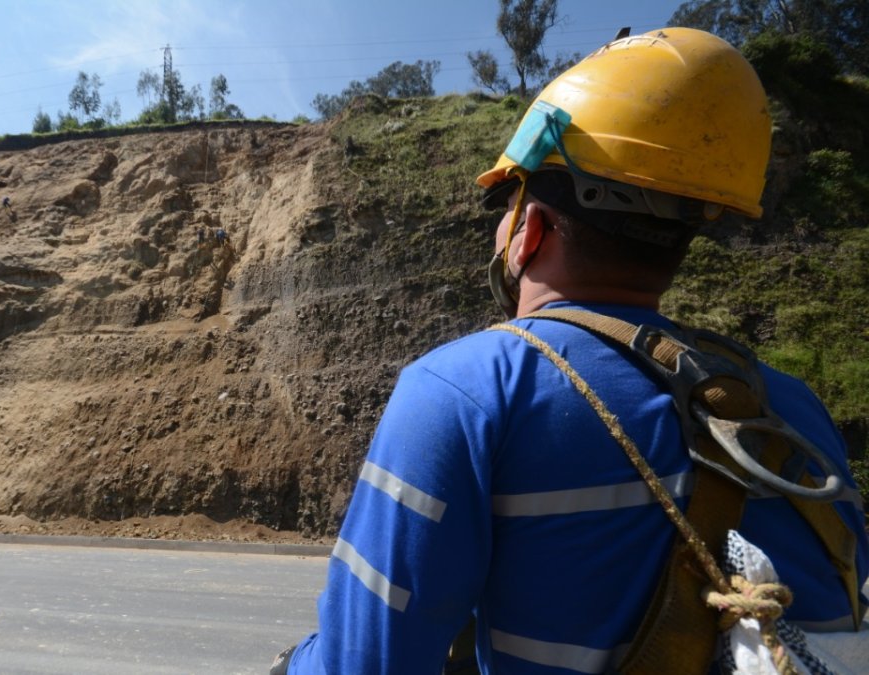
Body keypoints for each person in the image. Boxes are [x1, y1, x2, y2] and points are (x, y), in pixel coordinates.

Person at [274, 28, 867, 674]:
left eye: (507, 204)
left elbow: (364, 664)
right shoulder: (793, 412)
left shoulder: (465, 393)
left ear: (531, 229)